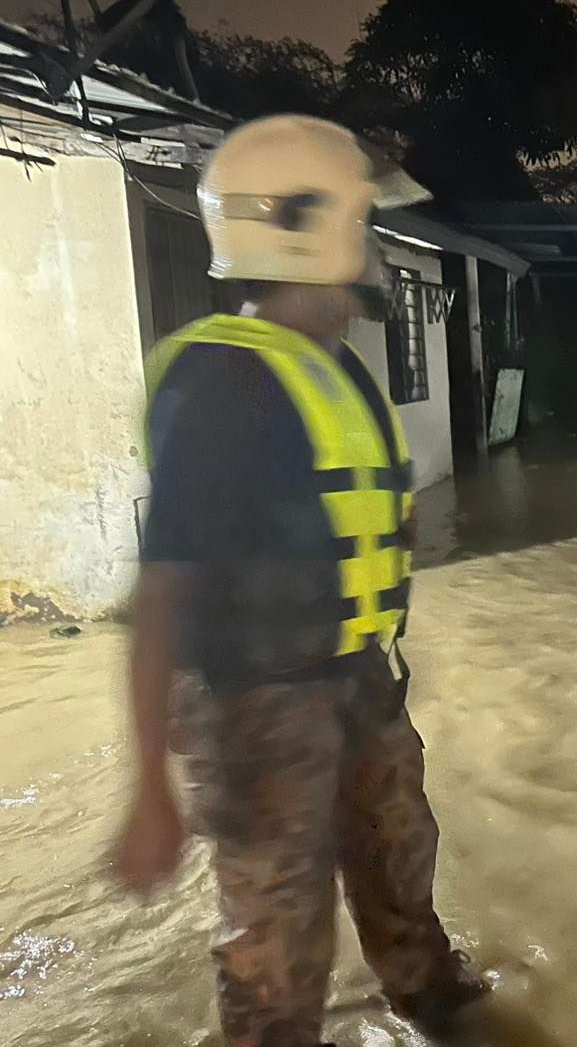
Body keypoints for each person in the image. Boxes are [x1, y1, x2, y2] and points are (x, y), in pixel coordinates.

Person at [113, 115, 485, 1045]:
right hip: (254, 707)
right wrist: (149, 787)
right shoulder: (217, 384)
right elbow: (160, 591)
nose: (378, 252)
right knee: (277, 935)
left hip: (356, 675)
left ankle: (435, 1003)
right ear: (310, 229)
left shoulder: (336, 371)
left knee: (401, 855)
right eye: (367, 226)